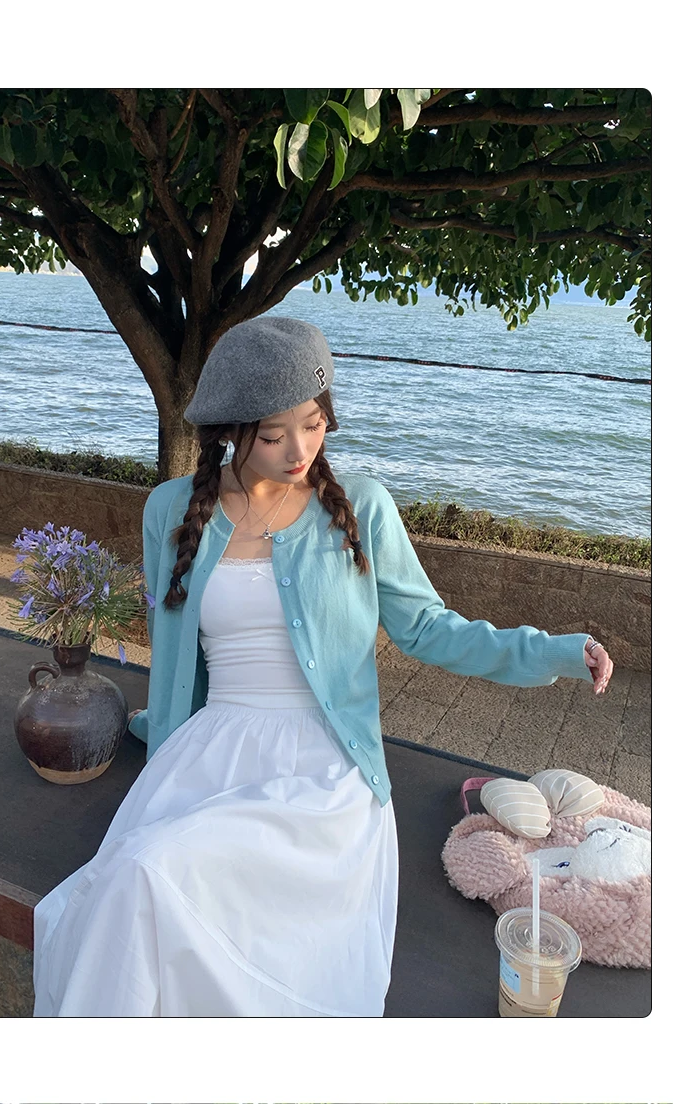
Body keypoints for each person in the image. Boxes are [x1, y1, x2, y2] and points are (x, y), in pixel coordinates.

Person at [32, 315, 614, 1017]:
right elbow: (175, 649)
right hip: (208, 754)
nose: (300, 450)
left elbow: (429, 628)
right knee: (135, 881)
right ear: (231, 432)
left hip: (326, 771)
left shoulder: (360, 508)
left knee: (157, 878)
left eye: (313, 425)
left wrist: (554, 652)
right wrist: (154, 725)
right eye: (273, 435)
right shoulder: (172, 510)